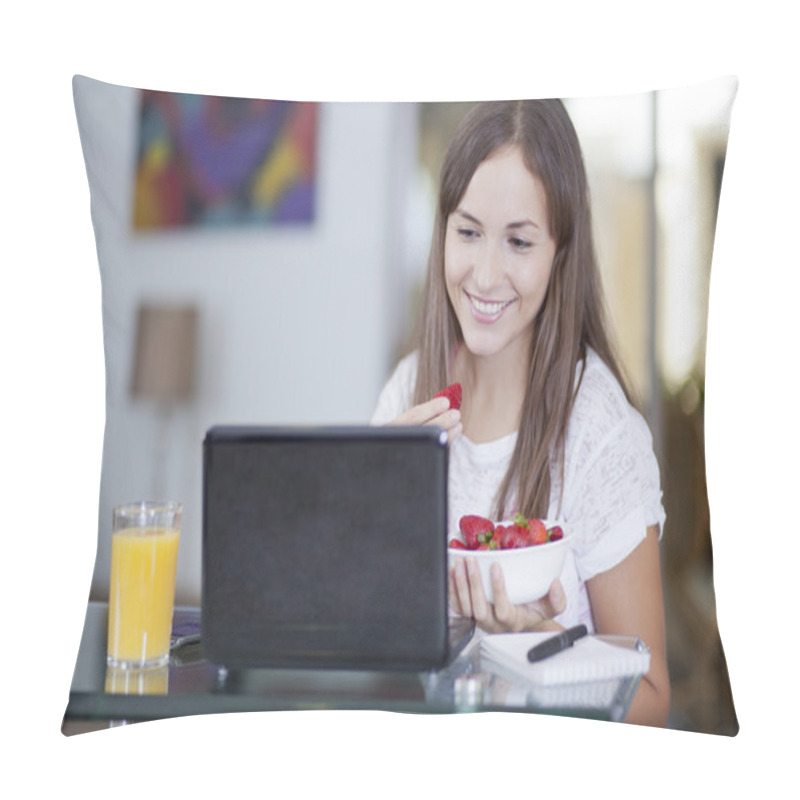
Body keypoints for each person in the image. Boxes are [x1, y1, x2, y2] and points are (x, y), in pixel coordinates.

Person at [370, 99, 669, 727]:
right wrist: (369, 504)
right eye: (469, 231)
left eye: (519, 242)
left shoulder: (599, 435)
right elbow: (366, 641)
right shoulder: (407, 392)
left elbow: (652, 707)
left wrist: (538, 645)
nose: (485, 274)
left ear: (561, 251)